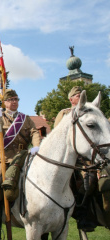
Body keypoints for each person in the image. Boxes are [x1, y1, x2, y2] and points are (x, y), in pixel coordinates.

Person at [0, 89, 41, 240]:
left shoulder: (25, 118)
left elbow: (34, 132)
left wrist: (36, 145)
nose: (14, 101)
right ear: (5, 102)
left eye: (16, 99)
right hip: (4, 158)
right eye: (11, 99)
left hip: (24, 157)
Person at [54, 86, 98, 232]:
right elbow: (57, 135)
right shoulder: (64, 113)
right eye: (77, 95)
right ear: (71, 99)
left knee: (91, 181)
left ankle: (86, 214)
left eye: (80, 95)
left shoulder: (87, 113)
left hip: (83, 158)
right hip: (67, 157)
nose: (80, 97)